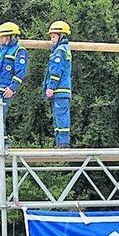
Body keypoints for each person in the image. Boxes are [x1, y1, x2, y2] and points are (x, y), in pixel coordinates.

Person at [42, 20, 73, 148]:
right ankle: (60, 142)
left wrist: (51, 87)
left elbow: (56, 71)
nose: (51, 39)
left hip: (59, 90)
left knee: (60, 116)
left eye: (53, 36)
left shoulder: (59, 51)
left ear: (61, 36)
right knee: (58, 116)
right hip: (62, 90)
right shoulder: (64, 49)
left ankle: (63, 143)